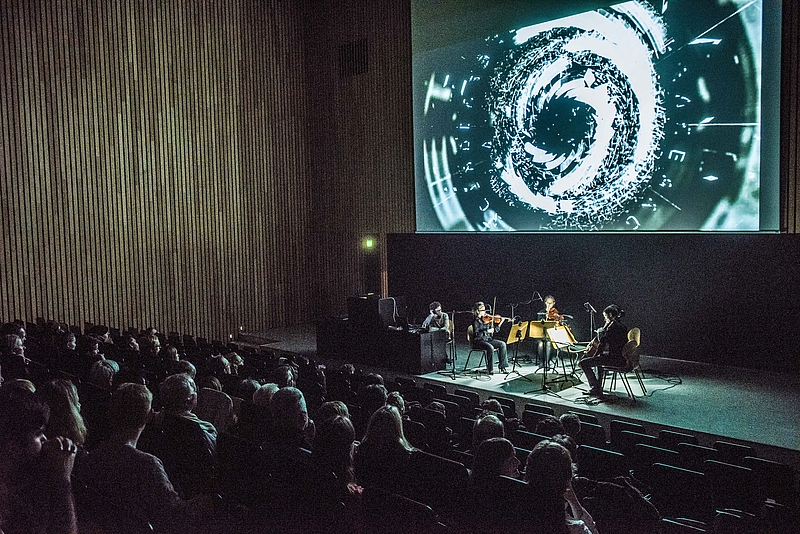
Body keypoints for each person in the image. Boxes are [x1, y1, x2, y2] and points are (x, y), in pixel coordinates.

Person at [524, 440, 599, 534]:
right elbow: (594, 531)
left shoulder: (516, 508)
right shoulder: (574, 528)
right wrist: (573, 501)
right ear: (567, 477)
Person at [579, 304, 629, 397]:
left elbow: (602, 344)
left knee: (583, 363)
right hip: (622, 358)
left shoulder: (612, 328)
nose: (605, 319)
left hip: (614, 359)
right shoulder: (622, 326)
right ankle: (597, 387)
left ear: (610, 315)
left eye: (605, 316)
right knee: (598, 361)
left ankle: (595, 387)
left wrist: (600, 334)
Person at [471, 301, 508, 374]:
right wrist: (487, 331)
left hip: (488, 339)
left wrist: (500, 323)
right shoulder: (475, 321)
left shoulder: (487, 319)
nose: (485, 312)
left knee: (502, 344)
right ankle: (490, 369)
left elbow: (495, 330)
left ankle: (502, 367)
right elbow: (477, 334)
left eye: (485, 310)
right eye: (483, 310)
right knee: (490, 347)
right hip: (478, 341)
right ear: (478, 311)